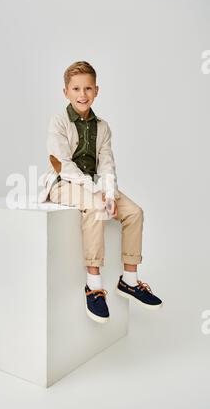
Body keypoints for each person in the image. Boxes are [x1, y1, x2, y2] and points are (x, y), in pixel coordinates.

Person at [38, 60, 163, 323]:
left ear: (96, 90)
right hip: (64, 183)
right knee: (94, 208)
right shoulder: (58, 122)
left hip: (96, 184)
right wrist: (96, 193)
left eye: (87, 88)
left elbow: (106, 162)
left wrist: (108, 191)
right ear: (65, 92)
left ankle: (129, 280)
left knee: (134, 212)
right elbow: (63, 164)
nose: (82, 95)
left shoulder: (103, 127)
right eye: (75, 89)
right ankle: (93, 286)